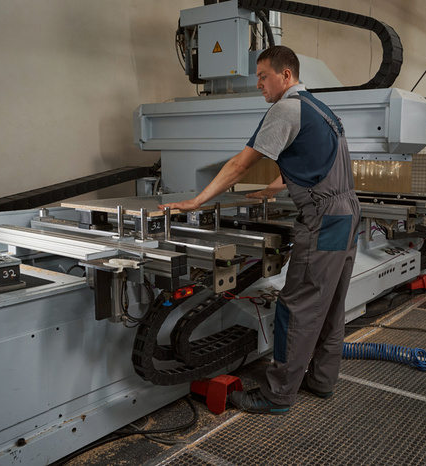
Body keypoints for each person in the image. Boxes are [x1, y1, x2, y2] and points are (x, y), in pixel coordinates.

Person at [159, 46, 360, 414]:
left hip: (323, 219)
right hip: (348, 213)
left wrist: (196, 202)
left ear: (286, 76)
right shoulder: (320, 109)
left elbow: (239, 164)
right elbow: (312, 158)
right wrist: (276, 187)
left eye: (264, 77)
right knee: (330, 304)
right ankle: (321, 380)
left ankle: (277, 395)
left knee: (296, 307)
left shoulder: (284, 109)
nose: (259, 85)